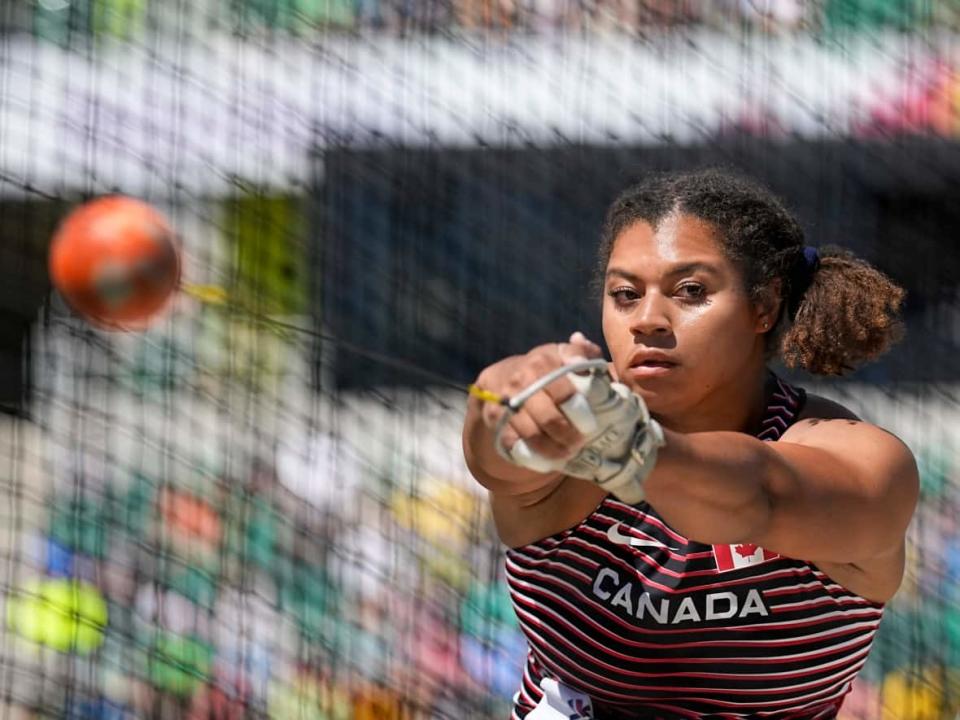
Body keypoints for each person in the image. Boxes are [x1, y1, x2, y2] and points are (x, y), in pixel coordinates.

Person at [461, 169, 918, 720]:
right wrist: (506, 393)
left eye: (691, 291)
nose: (648, 320)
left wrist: (640, 449)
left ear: (765, 306)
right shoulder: (570, 418)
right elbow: (496, 455)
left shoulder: (862, 457)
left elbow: (761, 495)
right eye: (625, 295)